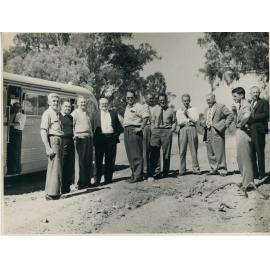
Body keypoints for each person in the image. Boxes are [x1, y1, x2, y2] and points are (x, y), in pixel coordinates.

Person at [200, 93, 233, 176]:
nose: (207, 101)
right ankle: (213, 169)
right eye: (206, 99)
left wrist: (223, 125)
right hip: (207, 131)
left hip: (217, 131)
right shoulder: (206, 109)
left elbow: (230, 115)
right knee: (210, 152)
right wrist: (203, 122)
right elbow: (205, 119)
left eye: (209, 99)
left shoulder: (220, 106)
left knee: (219, 151)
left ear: (214, 99)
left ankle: (222, 169)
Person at [93, 97, 123, 185]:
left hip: (111, 139)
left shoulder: (113, 113)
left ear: (108, 104)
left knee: (110, 160)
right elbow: (92, 127)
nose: (104, 105)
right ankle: (97, 180)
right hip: (100, 139)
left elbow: (119, 127)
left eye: (106, 103)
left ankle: (108, 179)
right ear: (99, 105)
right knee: (98, 160)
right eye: (102, 104)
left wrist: (115, 136)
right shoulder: (95, 114)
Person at [40, 93, 63, 200]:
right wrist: (47, 148)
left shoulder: (57, 113)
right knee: (54, 166)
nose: (55, 103)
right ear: (49, 102)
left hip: (58, 140)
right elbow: (43, 131)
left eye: (57, 101)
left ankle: (54, 192)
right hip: (53, 141)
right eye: (53, 101)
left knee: (57, 167)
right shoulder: (47, 113)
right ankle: (51, 194)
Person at [123, 90, 149, 183]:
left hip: (135, 130)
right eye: (128, 98)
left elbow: (146, 116)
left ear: (135, 98)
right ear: (126, 98)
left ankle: (138, 175)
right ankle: (134, 174)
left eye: (131, 97)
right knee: (130, 154)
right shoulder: (127, 107)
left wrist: (141, 128)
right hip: (127, 131)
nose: (129, 99)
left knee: (136, 154)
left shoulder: (138, 106)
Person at [148, 93, 176, 181]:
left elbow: (174, 121)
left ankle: (165, 172)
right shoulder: (154, 110)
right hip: (156, 131)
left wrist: (171, 130)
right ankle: (153, 172)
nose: (162, 102)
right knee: (154, 152)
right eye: (160, 100)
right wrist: (153, 129)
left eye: (163, 100)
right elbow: (152, 121)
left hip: (166, 131)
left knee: (166, 153)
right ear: (158, 101)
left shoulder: (170, 110)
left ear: (166, 100)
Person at [231, 87, 254, 190]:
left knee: (245, 159)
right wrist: (235, 112)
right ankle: (245, 181)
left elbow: (247, 115)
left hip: (245, 134)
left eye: (235, 96)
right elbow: (238, 120)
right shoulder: (241, 106)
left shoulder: (246, 105)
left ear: (241, 95)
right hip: (241, 133)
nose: (233, 98)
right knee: (241, 159)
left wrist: (240, 125)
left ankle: (248, 184)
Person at [71, 96, 93, 189]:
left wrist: (91, 135)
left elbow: (90, 126)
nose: (83, 104)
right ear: (77, 103)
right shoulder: (74, 113)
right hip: (79, 138)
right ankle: (79, 183)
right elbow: (71, 126)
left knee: (88, 160)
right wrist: (74, 136)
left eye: (84, 102)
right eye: (81, 102)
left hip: (88, 138)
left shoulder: (87, 113)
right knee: (80, 161)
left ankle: (87, 181)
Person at [176, 94, 201, 176]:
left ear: (190, 100)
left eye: (187, 100)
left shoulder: (194, 109)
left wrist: (187, 115)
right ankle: (182, 170)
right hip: (183, 129)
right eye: (184, 101)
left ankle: (196, 169)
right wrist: (188, 120)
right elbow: (179, 122)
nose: (186, 102)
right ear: (182, 101)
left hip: (192, 128)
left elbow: (196, 120)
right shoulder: (179, 110)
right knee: (182, 150)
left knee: (193, 149)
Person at [249, 86, 269, 180]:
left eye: (257, 92)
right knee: (252, 152)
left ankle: (262, 173)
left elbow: (266, 114)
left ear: (259, 93)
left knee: (260, 152)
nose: (256, 94)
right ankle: (255, 173)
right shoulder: (250, 103)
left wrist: (252, 116)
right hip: (251, 131)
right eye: (254, 92)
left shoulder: (264, 102)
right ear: (251, 93)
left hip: (260, 131)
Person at [142, 93, 161, 179]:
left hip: (154, 128)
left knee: (155, 148)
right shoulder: (143, 107)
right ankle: (146, 171)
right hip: (146, 128)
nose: (151, 100)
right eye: (149, 98)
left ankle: (157, 170)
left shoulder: (157, 107)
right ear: (145, 99)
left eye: (152, 98)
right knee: (145, 150)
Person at [7, 102, 26, 174]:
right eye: (15, 107)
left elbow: (19, 123)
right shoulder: (11, 115)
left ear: (20, 108)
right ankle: (11, 167)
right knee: (11, 150)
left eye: (18, 107)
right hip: (11, 132)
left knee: (16, 151)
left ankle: (15, 169)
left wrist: (10, 124)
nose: (17, 109)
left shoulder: (22, 116)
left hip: (17, 133)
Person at [60, 101, 75, 194]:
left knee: (69, 165)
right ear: (62, 107)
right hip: (63, 143)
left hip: (71, 142)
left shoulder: (71, 117)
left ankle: (67, 188)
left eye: (69, 107)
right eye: (65, 106)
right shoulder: (59, 117)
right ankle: (61, 188)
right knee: (63, 165)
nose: (67, 108)